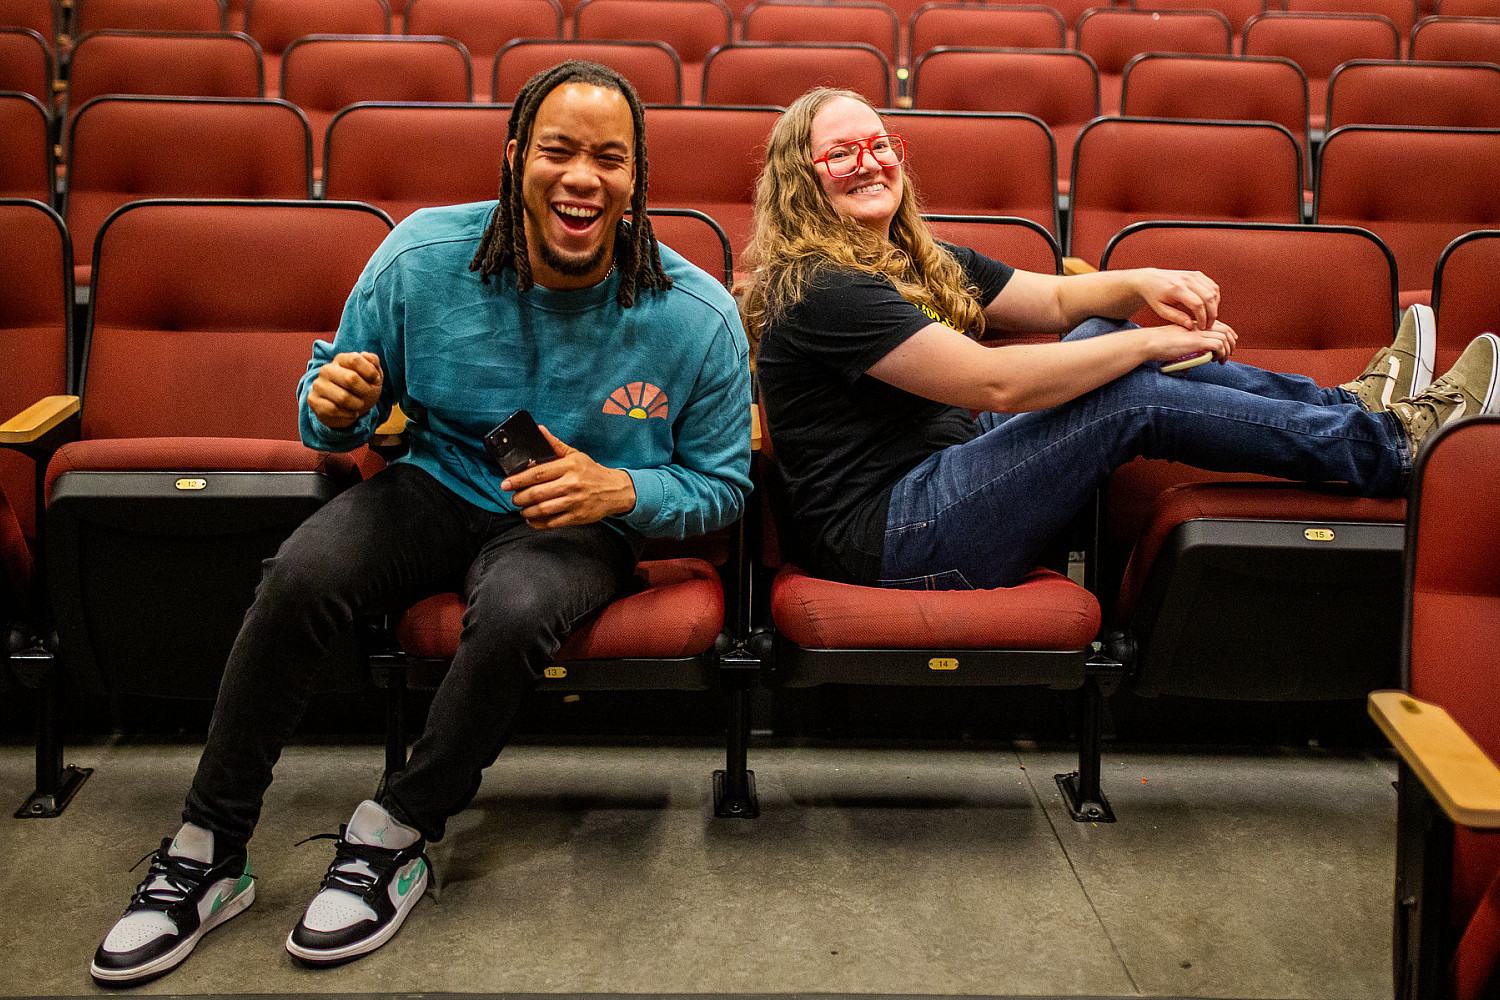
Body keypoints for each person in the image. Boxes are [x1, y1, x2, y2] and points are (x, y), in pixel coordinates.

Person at [90, 61, 752, 984]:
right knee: (302, 572)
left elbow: (723, 486)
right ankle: (208, 849)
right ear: (516, 156)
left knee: (520, 609)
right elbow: (332, 415)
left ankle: (393, 833)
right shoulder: (421, 258)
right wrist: (333, 404)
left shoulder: (697, 315)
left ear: (637, 177)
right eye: (558, 150)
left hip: (573, 523)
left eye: (610, 158)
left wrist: (624, 495)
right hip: (436, 485)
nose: (582, 177)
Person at [745, 87, 1500, 591]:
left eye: (879, 145)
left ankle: (1351, 408)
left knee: (1106, 330)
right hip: (892, 536)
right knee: (1126, 391)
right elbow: (992, 382)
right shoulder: (821, 286)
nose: (869, 163)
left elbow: (1054, 300)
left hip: (946, 467)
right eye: (840, 153)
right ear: (802, 181)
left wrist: (1139, 283)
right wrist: (1143, 347)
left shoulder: (916, 259)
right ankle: (1393, 449)